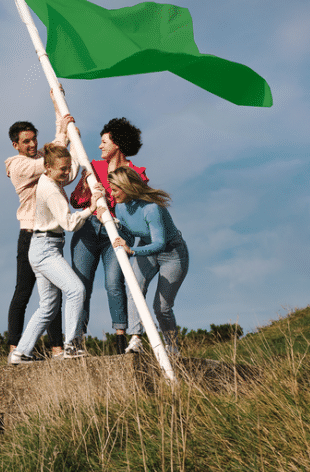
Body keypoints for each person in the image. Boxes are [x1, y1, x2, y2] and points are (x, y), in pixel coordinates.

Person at [10, 143, 106, 364]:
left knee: (49, 305)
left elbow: (68, 171)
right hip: (46, 249)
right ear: (48, 167)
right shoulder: (51, 189)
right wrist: (91, 208)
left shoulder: (50, 178)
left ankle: (20, 353)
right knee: (76, 290)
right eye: (62, 169)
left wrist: (74, 145)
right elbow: (69, 224)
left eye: (67, 168)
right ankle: (72, 346)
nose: (66, 173)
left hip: (44, 246)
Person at [69, 118, 147, 354]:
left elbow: (136, 210)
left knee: (114, 283)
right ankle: (76, 340)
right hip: (89, 229)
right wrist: (87, 190)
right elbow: (75, 201)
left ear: (118, 143)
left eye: (104, 141)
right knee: (80, 285)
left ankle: (121, 339)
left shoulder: (137, 174)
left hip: (118, 231)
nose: (100, 146)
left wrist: (111, 199)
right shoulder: (92, 168)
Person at [4, 102, 71, 357]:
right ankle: (15, 347)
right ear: (16, 145)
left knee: (53, 293)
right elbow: (54, 154)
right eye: (26, 141)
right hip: (30, 235)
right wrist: (62, 130)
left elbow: (57, 148)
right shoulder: (18, 165)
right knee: (23, 292)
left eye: (34, 140)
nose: (32, 145)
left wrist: (58, 108)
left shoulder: (42, 158)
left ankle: (57, 348)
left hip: (50, 236)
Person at [107, 167, 189, 357]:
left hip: (172, 253)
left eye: (115, 190)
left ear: (127, 188)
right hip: (146, 248)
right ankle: (136, 339)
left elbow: (159, 243)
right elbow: (128, 230)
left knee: (162, 308)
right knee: (134, 290)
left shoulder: (151, 208)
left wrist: (132, 250)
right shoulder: (119, 207)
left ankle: (172, 348)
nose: (112, 194)